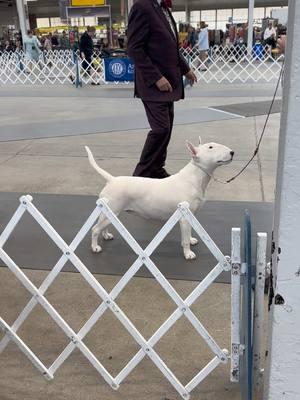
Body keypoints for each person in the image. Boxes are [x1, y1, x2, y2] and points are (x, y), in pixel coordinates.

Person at [127, 0, 197, 179]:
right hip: (153, 84)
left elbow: (171, 47)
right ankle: (140, 175)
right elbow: (134, 48)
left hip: (169, 83)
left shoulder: (162, 8)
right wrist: (156, 77)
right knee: (161, 130)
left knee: (167, 129)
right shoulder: (142, 6)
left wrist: (186, 69)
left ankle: (156, 169)